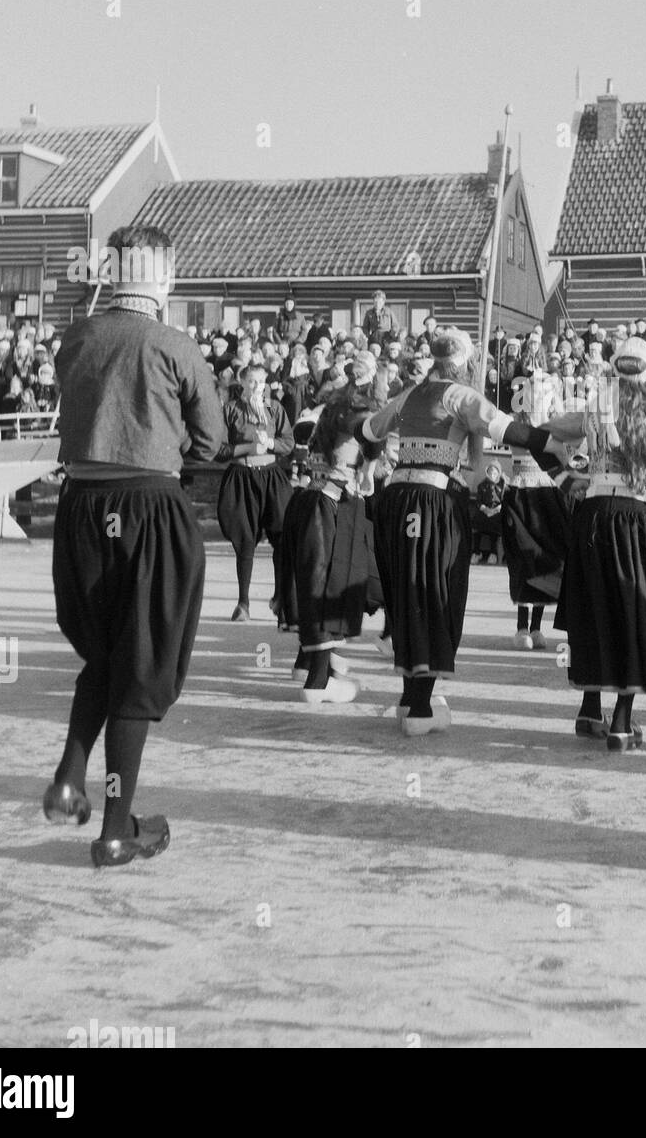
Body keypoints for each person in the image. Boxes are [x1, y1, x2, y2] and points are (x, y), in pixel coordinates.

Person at [43, 224, 226, 868]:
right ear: (163, 278)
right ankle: (117, 829)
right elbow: (211, 440)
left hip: (81, 508)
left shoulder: (76, 338)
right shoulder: (174, 344)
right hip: (149, 507)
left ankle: (70, 776)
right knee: (141, 667)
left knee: (104, 653)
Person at [357, 328, 557, 735]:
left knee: (407, 594)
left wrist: (369, 468)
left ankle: (411, 697)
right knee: (437, 594)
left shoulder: (408, 395)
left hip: (396, 500)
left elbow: (368, 433)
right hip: (433, 502)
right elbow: (510, 431)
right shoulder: (460, 396)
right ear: (464, 363)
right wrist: (554, 442)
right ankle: (419, 709)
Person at [546, 339, 646, 749]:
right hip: (633, 518)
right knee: (634, 613)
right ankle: (621, 723)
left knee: (592, 610)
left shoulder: (593, 409)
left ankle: (589, 710)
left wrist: (564, 479)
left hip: (591, 515)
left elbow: (537, 436)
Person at [275, 393, 384, 704]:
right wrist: (371, 464)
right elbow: (371, 432)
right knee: (331, 587)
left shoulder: (324, 424)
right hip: (331, 505)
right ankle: (318, 680)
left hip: (310, 502)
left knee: (316, 584)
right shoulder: (353, 421)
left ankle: (310, 663)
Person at [218, 363, 295, 621]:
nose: (257, 387)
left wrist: (270, 443)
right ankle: (243, 603)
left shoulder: (275, 408)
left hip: (271, 476)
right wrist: (248, 447)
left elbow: (288, 443)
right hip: (241, 477)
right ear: (242, 382)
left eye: (261, 382)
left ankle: (281, 598)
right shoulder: (230, 409)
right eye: (251, 381)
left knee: (282, 537)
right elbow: (219, 449)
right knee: (245, 541)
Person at [502, 370, 572, 650]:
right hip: (521, 492)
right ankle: (522, 626)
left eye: (546, 393)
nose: (541, 397)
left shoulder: (558, 427)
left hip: (549, 492)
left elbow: (567, 458)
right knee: (522, 559)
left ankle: (536, 627)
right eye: (536, 391)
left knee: (548, 558)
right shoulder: (514, 424)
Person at [472, 462, 506, 563]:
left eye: (494, 473)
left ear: (498, 473)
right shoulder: (482, 485)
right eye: (490, 472)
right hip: (485, 511)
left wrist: (496, 510)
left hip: (497, 511)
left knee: (495, 525)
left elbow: (504, 501)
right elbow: (478, 501)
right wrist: (485, 509)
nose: (492, 475)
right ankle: (477, 552)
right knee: (477, 524)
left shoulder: (503, 485)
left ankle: (493, 553)